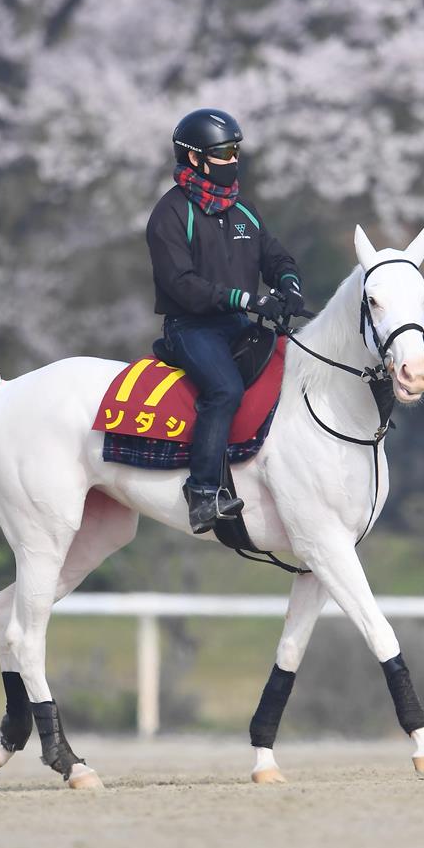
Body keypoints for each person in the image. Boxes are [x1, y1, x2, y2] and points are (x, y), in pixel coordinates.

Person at [146, 109, 304, 534]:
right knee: (224, 389)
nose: (235, 160)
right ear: (195, 159)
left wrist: (288, 284)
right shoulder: (170, 214)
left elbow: (275, 256)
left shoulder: (243, 210)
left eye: (237, 150)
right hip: (191, 328)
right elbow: (181, 284)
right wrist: (244, 297)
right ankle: (202, 493)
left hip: (236, 322)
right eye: (225, 152)